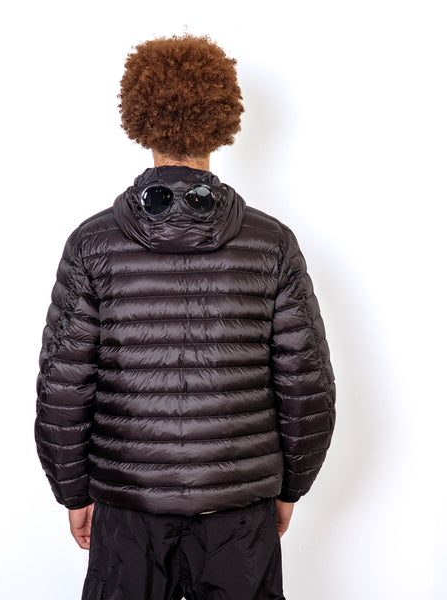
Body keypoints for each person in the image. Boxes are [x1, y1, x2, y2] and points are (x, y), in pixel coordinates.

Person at [35, 34, 335, 600]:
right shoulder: (271, 244)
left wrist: (73, 492)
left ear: (140, 119)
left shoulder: (92, 243)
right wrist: (289, 486)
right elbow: (307, 384)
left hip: (128, 508)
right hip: (238, 511)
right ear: (221, 119)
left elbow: (63, 385)